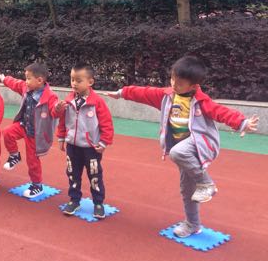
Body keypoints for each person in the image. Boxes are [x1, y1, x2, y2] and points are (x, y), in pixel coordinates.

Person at [105, 55, 259, 237]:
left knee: (176, 153)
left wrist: (242, 122)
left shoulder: (202, 102)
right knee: (187, 191)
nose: (174, 85)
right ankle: (193, 224)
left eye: (179, 83)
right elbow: (143, 93)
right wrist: (121, 93)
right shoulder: (167, 96)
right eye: (172, 79)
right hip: (185, 153)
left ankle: (206, 183)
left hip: (198, 144)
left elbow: (221, 112)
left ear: (193, 86)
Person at [55, 64, 114, 219]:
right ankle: (74, 200)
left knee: (94, 175)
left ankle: (98, 203)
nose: (74, 83)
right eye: (72, 79)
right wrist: (61, 137)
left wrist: (103, 143)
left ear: (90, 82)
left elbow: (107, 124)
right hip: (72, 146)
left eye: (78, 80)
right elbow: (62, 121)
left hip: (91, 148)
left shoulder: (97, 102)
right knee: (72, 174)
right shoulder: (68, 101)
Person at [0, 63, 59, 199]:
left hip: (35, 134)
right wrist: (4, 79)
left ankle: (37, 185)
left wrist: (58, 109)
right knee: (7, 132)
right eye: (25, 78)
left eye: (28, 78)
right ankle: (14, 155)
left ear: (39, 80)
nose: (25, 81)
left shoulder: (50, 97)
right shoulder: (26, 88)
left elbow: (54, 111)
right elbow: (16, 83)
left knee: (32, 161)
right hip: (23, 126)